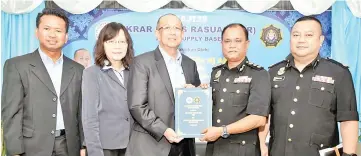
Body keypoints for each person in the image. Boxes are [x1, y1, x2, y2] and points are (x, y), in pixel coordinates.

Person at [259, 16, 359, 156]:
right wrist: (262, 145)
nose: (301, 40)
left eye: (309, 35)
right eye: (296, 35)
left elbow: (348, 120)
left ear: (321, 40)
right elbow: (265, 117)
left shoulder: (338, 73)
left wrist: (349, 155)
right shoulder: (273, 72)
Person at [2, 8, 85, 156]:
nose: (52, 35)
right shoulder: (17, 65)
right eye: (47, 29)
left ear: (66, 37)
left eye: (58, 31)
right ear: (37, 32)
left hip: (69, 146)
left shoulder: (78, 69)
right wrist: (14, 151)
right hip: (31, 147)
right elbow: (12, 113)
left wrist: (84, 145)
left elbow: (82, 112)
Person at [125, 13, 201, 156]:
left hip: (185, 147)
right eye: (167, 27)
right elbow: (137, 105)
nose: (173, 32)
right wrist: (164, 130)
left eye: (177, 28)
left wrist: (198, 93)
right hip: (151, 145)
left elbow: (196, 105)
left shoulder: (190, 64)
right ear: (157, 34)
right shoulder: (142, 62)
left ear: (183, 34)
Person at [200, 23, 271, 156]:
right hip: (214, 149)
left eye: (237, 41)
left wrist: (222, 131)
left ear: (247, 44)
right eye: (227, 41)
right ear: (221, 44)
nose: (232, 45)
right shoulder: (216, 73)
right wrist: (195, 95)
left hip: (243, 150)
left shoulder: (258, 74)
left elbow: (258, 119)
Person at [82, 22, 134, 156]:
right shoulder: (92, 73)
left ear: (128, 45)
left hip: (134, 146)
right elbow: (89, 118)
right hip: (105, 148)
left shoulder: (135, 71)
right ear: (102, 44)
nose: (117, 46)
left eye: (122, 41)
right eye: (111, 41)